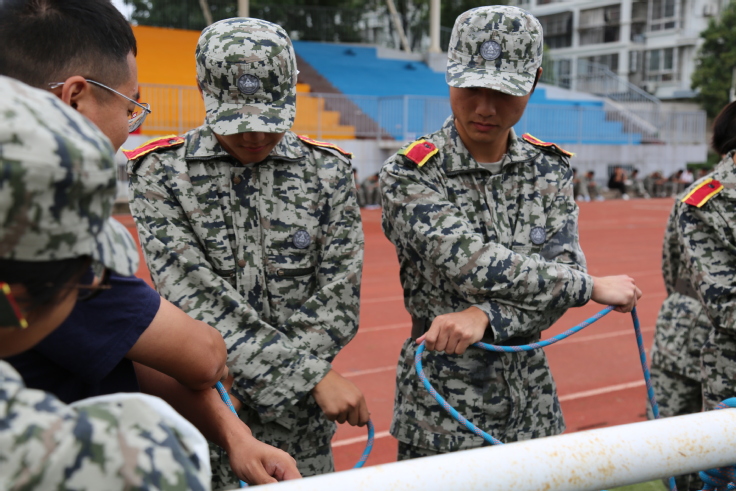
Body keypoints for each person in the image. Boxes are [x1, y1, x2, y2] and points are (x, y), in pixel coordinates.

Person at [0, 1, 300, 485]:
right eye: (130, 107)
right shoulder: (42, 244)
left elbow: (123, 346)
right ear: (75, 98)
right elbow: (202, 355)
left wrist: (234, 435)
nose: (129, 127)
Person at [379, 5, 641, 462]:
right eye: (472, 88)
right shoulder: (410, 173)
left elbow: (560, 274)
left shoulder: (548, 168)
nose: (485, 107)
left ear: (534, 82)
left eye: (503, 91)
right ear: (449, 76)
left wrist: (485, 317)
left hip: (533, 400)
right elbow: (474, 263)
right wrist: (588, 286)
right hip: (441, 410)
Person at [126, 17, 368, 488]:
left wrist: (284, 383)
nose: (254, 136)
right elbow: (193, 297)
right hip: (209, 412)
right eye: (237, 122)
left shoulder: (328, 173)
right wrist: (310, 376)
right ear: (203, 89)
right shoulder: (160, 174)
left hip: (300, 427)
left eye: (268, 121)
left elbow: (339, 297)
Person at [0, 75, 210, 490]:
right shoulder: (121, 457)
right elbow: (204, 357)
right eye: (90, 277)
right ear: (15, 303)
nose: (93, 284)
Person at [656, 99, 736, 489]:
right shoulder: (707, 201)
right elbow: (719, 299)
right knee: (686, 455)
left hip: (685, 323)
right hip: (701, 339)